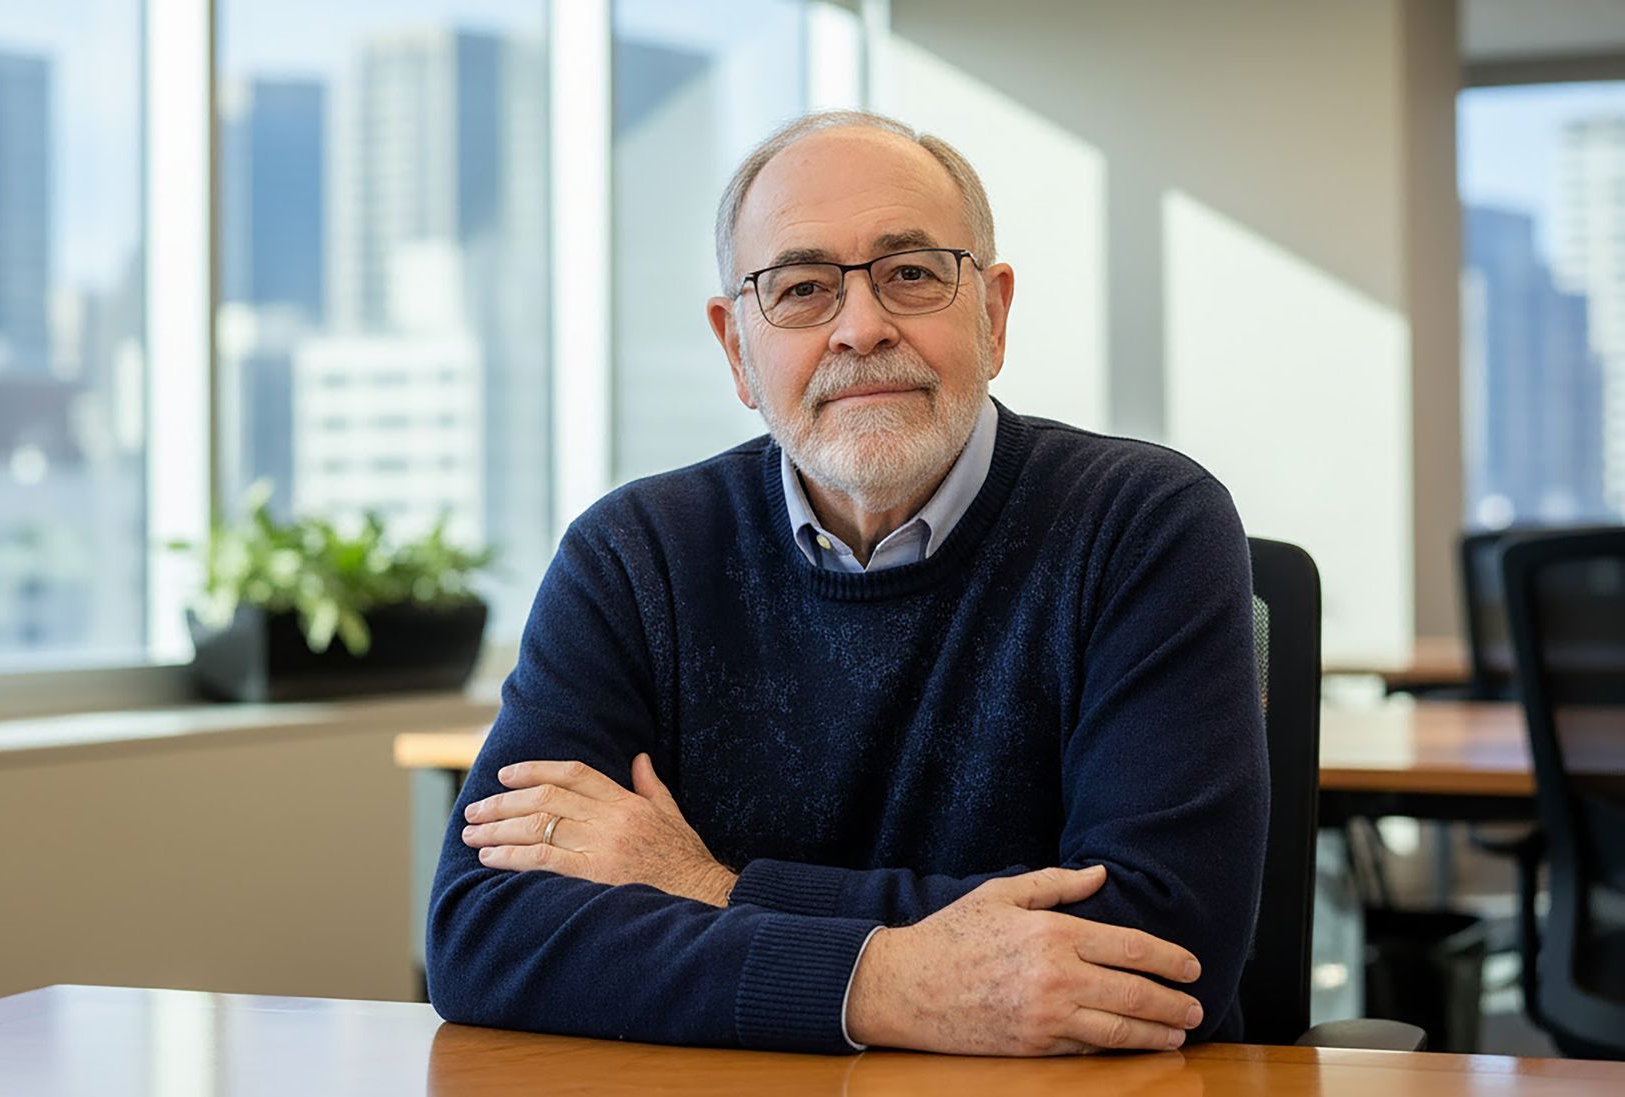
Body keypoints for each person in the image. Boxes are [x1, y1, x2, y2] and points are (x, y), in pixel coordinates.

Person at [426, 110, 1268, 1056]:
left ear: (991, 314)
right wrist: (881, 983)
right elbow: (484, 934)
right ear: (737, 349)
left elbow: (1158, 942)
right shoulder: (634, 554)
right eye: (801, 288)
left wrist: (713, 886)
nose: (861, 328)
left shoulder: (1144, 522)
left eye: (910, 273)